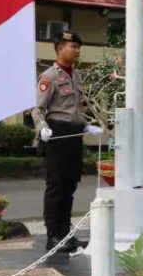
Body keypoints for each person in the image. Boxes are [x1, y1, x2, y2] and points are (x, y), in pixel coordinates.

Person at [33, 31, 102, 253]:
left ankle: (65, 234)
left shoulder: (76, 76)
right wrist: (42, 127)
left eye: (78, 47)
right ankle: (53, 235)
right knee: (56, 186)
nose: (77, 51)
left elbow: (76, 109)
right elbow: (38, 109)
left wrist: (85, 126)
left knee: (70, 185)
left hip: (73, 134)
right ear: (60, 48)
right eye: (73, 46)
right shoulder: (49, 77)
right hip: (56, 134)